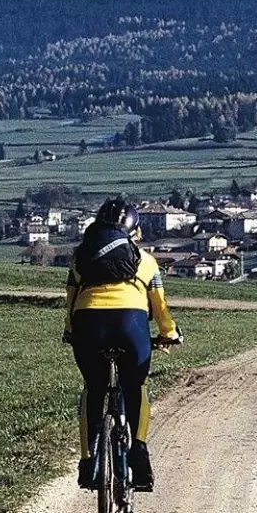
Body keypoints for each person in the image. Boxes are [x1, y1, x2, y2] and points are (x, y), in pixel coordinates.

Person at [63, 198, 181, 492]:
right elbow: (160, 308)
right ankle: (138, 452)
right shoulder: (146, 261)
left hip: (88, 325)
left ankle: (88, 461)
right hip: (131, 326)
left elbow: (70, 303)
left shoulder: (80, 258)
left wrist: (71, 332)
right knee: (136, 386)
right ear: (135, 231)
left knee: (93, 388)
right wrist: (169, 333)